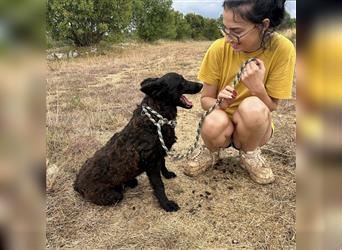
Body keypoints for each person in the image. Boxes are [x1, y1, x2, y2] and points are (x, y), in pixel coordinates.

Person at [183, 0, 295, 184]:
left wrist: (257, 88)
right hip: (222, 123)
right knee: (211, 122)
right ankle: (211, 151)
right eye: (225, 29)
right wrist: (219, 103)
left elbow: (272, 107)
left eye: (236, 31)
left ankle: (250, 153)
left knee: (254, 108)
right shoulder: (218, 49)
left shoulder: (283, 49)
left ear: (263, 25)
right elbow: (205, 100)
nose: (228, 38)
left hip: (255, 127)